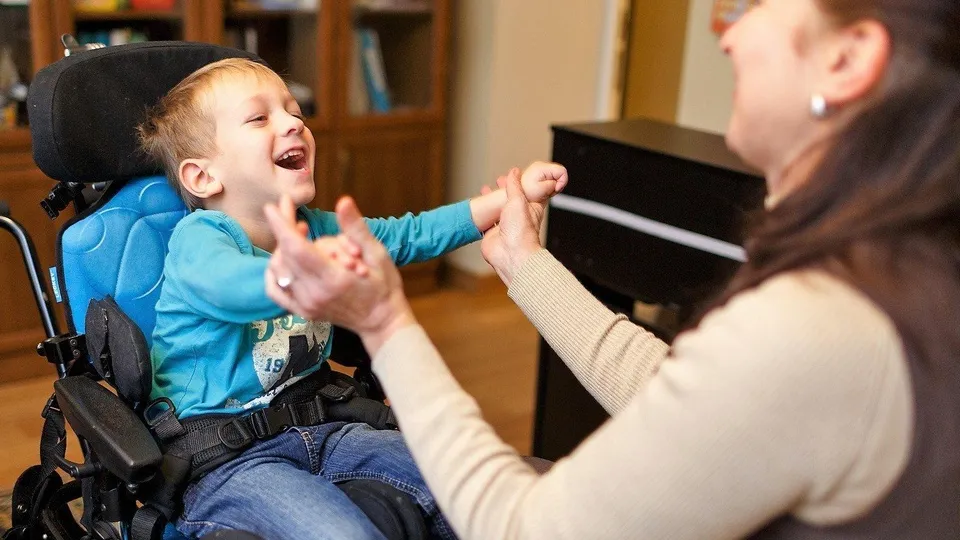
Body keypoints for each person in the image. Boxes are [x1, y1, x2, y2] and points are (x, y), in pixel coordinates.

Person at [263, 0, 960, 538]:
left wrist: (385, 323)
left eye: (757, 6)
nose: (727, 32)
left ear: (847, 57)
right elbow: (706, 406)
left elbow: (522, 528)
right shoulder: (902, 269)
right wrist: (527, 267)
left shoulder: (818, 322)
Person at [136, 56, 568, 539]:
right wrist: (289, 275)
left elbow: (410, 234)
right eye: (260, 118)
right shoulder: (200, 240)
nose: (294, 123)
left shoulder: (316, 228)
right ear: (202, 178)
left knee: (474, 489)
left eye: (294, 110)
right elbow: (227, 284)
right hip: (228, 462)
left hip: (326, 425)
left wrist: (505, 201)